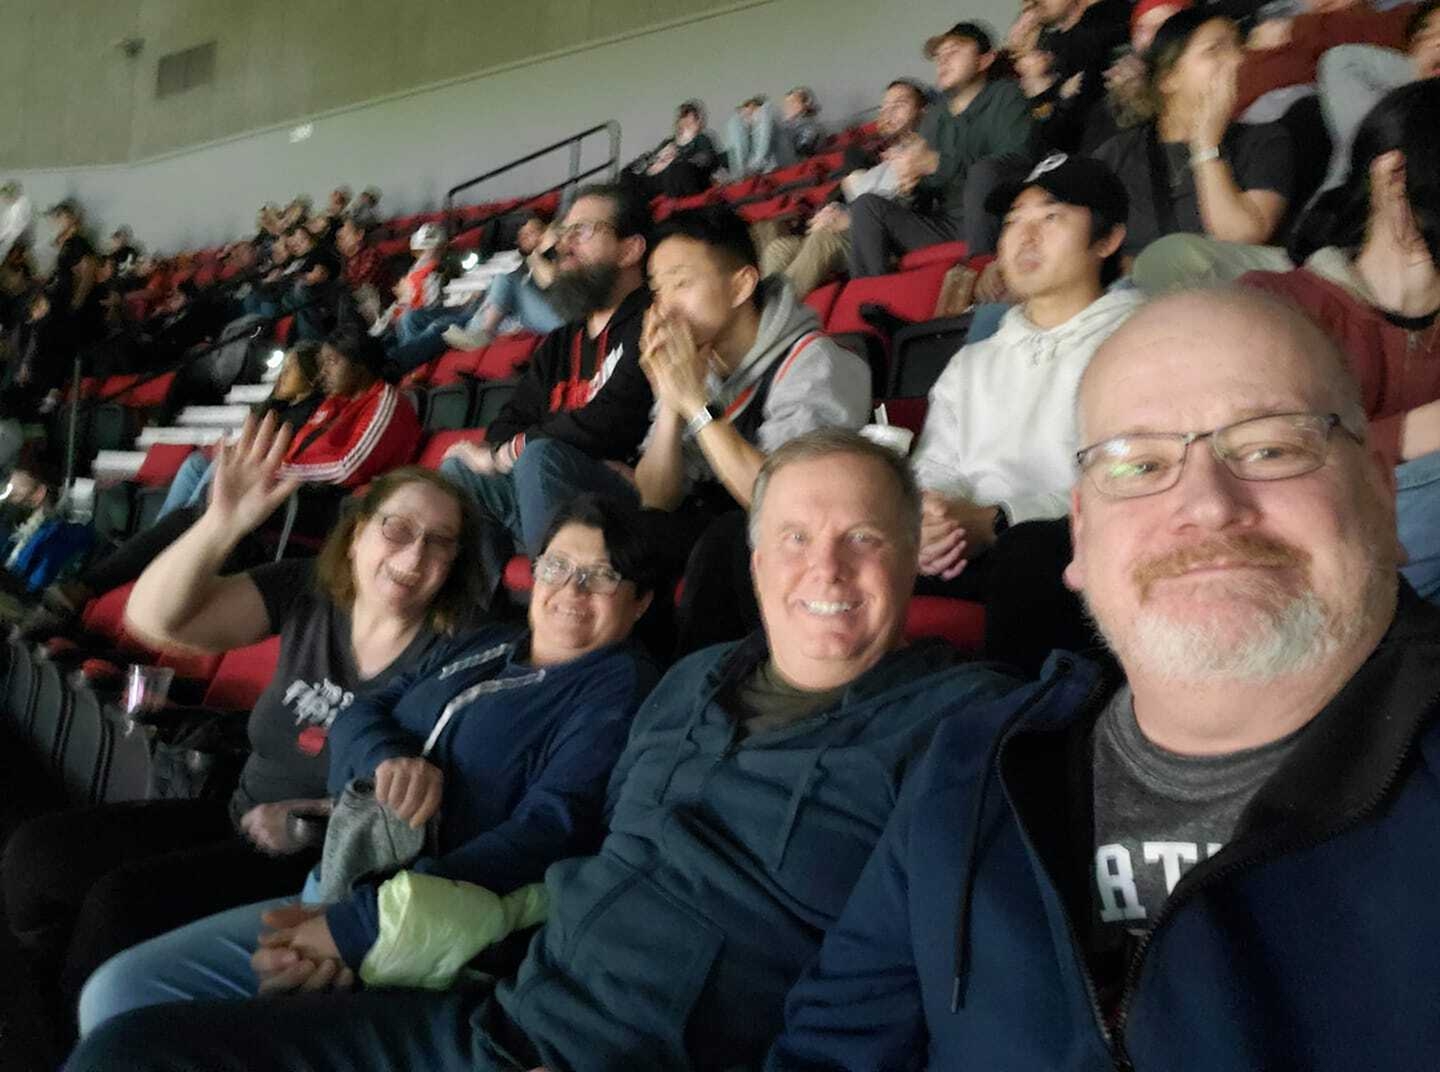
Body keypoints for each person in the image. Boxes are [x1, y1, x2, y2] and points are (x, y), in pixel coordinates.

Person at [66, 428, 1024, 1072]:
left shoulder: (957, 729)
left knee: (119, 969)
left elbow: (552, 830)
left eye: (865, 538)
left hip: (542, 999)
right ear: (757, 558)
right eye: (796, 537)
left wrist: (374, 933)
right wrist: (386, 900)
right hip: (492, 1005)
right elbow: (574, 857)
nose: (826, 568)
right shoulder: (660, 679)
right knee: (128, 1047)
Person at [767, 286, 1440, 1072]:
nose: (1206, 505)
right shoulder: (969, 769)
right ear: (1080, 538)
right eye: (1140, 463)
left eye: (1270, 448)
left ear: (1381, 495)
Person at [77, 493, 662, 1033]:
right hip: (339, 876)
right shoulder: (490, 643)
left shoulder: (617, 689)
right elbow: (362, 711)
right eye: (557, 566)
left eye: (601, 575)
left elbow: (550, 830)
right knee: (120, 987)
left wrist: (354, 929)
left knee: (123, 999)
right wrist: (391, 756)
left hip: (413, 929)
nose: (571, 590)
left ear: (640, 602)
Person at [1, 431, 484, 1054]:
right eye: (398, 528)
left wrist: (314, 818)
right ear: (358, 532)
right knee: (37, 857)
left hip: (315, 858)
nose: (415, 555)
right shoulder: (311, 590)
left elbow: (427, 800)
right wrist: (220, 522)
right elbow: (155, 619)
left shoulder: (455, 651)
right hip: (233, 810)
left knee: (117, 909)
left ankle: (82, 1050)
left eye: (440, 542)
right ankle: (43, 1029)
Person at [15, 330, 421, 638]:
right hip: (291, 496)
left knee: (204, 516)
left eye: (333, 362)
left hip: (327, 509)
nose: (325, 371)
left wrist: (272, 472)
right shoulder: (335, 403)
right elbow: (295, 450)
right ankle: (92, 590)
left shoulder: (385, 400)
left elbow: (348, 466)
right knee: (201, 512)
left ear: (360, 366)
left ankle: (90, 589)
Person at [909, 153, 1140, 675]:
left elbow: (1132, 473)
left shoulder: (1140, 339)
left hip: (1068, 541)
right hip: (964, 544)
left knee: (1030, 552)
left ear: (1107, 240)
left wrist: (1000, 519)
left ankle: (1023, 715)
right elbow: (937, 462)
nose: (1024, 237)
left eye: (1051, 218)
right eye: (1013, 221)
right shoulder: (974, 361)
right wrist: (932, 516)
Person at [630, 206, 871, 651]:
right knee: (623, 534)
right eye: (657, 290)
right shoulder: (695, 364)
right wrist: (670, 400)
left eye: (682, 284)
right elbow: (655, 500)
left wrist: (695, 404)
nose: (664, 307)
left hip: (805, 544)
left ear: (741, 285)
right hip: (717, 530)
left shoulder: (815, 362)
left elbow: (781, 504)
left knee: (726, 539)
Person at [1243, 78, 1440, 600]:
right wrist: (1421, 432)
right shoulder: (1274, 305)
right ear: (1393, 177)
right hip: (1302, 574)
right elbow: (1258, 462)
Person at [437, 183, 655, 593]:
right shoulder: (561, 340)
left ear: (629, 250)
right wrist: (508, 450)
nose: (563, 245)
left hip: (624, 501)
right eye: (564, 232)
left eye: (582, 231)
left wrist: (511, 454)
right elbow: (508, 421)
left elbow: (611, 421)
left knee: (540, 458)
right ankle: (489, 613)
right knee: (458, 472)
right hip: (549, 493)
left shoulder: (650, 322)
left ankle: (556, 604)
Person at [1093, 8, 1295, 263]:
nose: (1238, 59)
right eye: (1214, 50)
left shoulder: (1264, 141)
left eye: (1238, 46)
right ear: (1168, 79)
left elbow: (1240, 238)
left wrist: (1207, 145)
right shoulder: (1117, 155)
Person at [849, 22, 1034, 273]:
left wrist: (938, 163)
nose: (943, 60)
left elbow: (1018, 162)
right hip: (948, 224)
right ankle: (868, 294)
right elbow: (926, 195)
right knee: (865, 206)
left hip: (999, 216)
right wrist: (911, 184)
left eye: (954, 51)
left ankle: (983, 273)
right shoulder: (936, 115)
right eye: (939, 56)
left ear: (984, 60)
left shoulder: (1006, 95)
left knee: (984, 171)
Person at [760, 79, 928, 298]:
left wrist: (849, 219)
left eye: (899, 105)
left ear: (923, 111)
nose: (888, 113)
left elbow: (914, 210)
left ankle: (767, 310)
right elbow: (842, 193)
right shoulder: (871, 157)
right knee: (779, 248)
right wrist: (826, 212)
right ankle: (768, 306)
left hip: (880, 239)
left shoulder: (926, 153)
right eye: (884, 107)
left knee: (824, 240)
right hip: (843, 229)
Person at [155, 342, 325, 520]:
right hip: (249, 464)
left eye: (291, 369)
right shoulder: (279, 405)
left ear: (310, 376)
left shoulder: (307, 413)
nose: (283, 374)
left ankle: (189, 522)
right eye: (284, 368)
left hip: (264, 476)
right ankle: (165, 525)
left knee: (220, 463)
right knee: (195, 463)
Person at [1314, 0, 1439, 192]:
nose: (1437, 43)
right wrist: (1419, 73)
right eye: (1426, 36)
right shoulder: (1389, 111)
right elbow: (1343, 61)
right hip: (1351, 199)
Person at [629, 100, 721, 199]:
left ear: (697, 124)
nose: (686, 125)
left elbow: (706, 159)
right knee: (632, 176)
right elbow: (653, 159)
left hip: (691, 182)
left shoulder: (701, 139)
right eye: (683, 121)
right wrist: (651, 162)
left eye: (690, 122)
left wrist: (678, 158)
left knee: (678, 168)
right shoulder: (669, 142)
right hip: (665, 184)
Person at [725, 87, 825, 177]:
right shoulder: (784, 123)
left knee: (767, 109)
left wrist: (777, 130)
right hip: (772, 162)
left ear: (805, 105)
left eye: (793, 102)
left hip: (794, 161)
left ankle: (756, 164)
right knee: (736, 121)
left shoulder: (811, 124)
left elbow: (804, 148)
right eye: (787, 104)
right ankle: (740, 171)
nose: (788, 107)